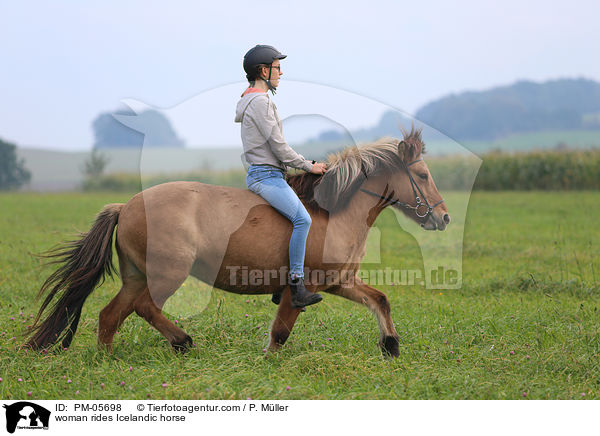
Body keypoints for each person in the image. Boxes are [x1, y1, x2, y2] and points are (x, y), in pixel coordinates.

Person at [234, 44, 326, 308]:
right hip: (267, 176)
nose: (281, 73)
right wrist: (309, 166)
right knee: (303, 220)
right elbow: (280, 148)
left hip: (269, 174)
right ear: (264, 71)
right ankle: (296, 285)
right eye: (277, 67)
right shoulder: (260, 102)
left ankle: (281, 282)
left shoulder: (253, 100)